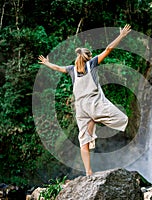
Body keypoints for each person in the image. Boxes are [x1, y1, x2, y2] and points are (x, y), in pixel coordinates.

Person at [38, 24, 131, 176]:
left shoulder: (71, 70)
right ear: (88, 56)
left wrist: (47, 63)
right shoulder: (92, 64)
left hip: (81, 109)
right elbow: (108, 49)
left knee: (84, 141)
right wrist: (121, 36)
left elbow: (58, 68)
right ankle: (102, 121)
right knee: (123, 118)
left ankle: (88, 171)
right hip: (96, 105)